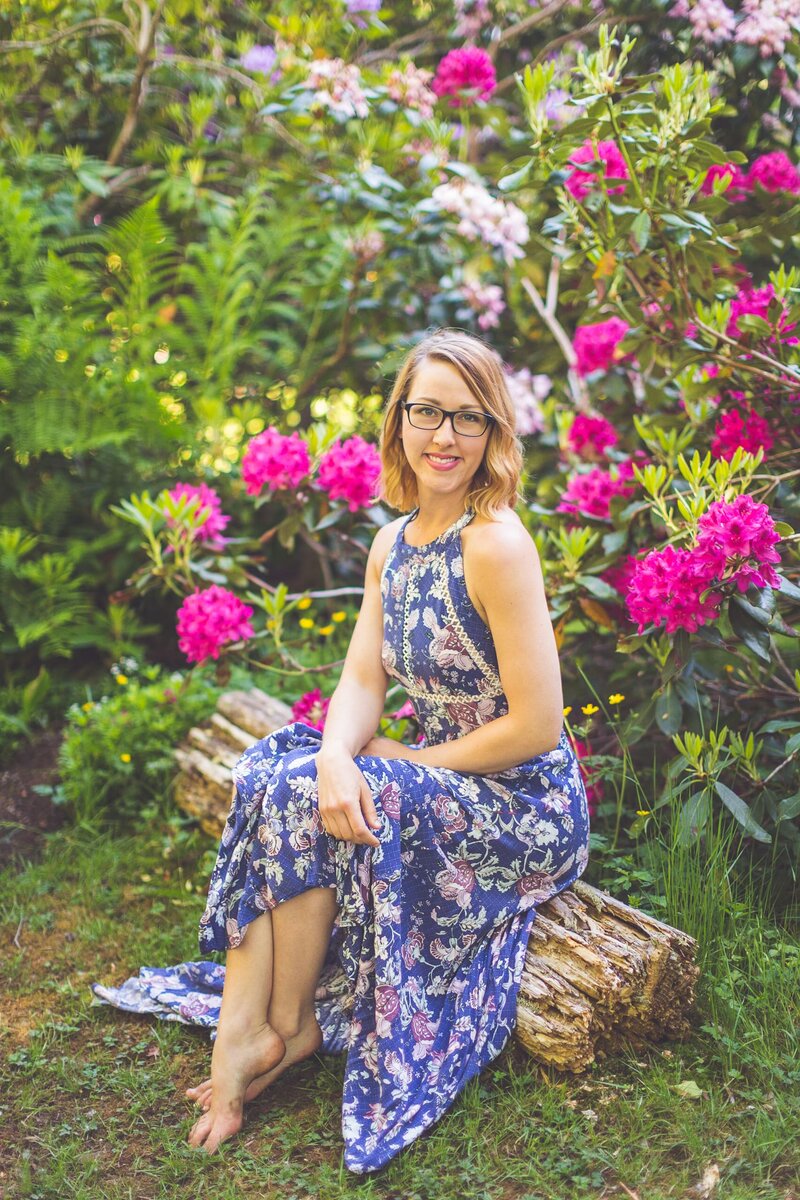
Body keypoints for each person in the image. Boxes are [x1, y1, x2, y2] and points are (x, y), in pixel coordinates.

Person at [92, 328, 589, 1174]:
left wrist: (399, 765)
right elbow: (361, 677)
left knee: (333, 783)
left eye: (468, 419)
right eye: (427, 411)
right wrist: (335, 755)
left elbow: (539, 728)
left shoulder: (497, 545)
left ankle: (272, 1032)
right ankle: (262, 1029)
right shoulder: (392, 542)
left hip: (521, 804)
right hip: (440, 774)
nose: (444, 436)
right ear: (397, 421)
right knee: (276, 766)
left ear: (494, 435)